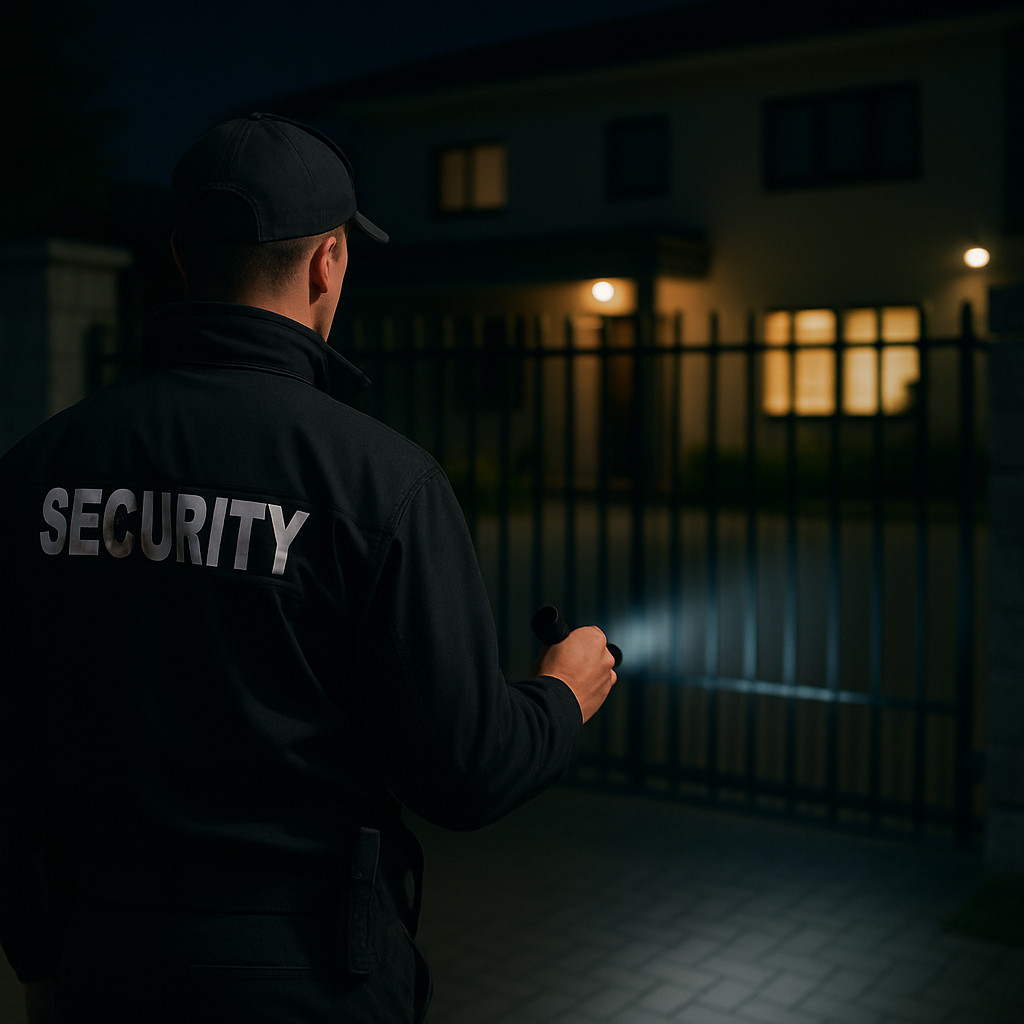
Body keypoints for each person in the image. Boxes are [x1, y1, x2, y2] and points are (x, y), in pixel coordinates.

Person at [0, 112, 616, 1024]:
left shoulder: (39, 468)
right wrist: (561, 697)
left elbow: (10, 751)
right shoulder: (383, 482)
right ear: (327, 261)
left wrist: (39, 953)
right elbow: (464, 771)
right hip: (308, 975)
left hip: (107, 964)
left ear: (181, 256)